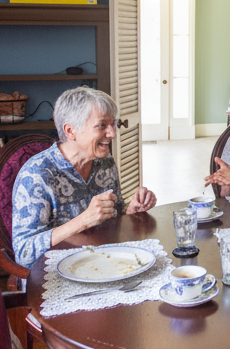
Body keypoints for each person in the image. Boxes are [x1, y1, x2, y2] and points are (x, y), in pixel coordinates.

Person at [12, 87, 157, 268]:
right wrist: (82, 221)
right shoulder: (37, 175)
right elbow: (24, 253)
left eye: (114, 124)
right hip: (56, 274)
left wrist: (130, 211)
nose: (112, 133)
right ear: (70, 131)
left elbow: (114, 216)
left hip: (102, 263)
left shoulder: (105, 163)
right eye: (102, 125)